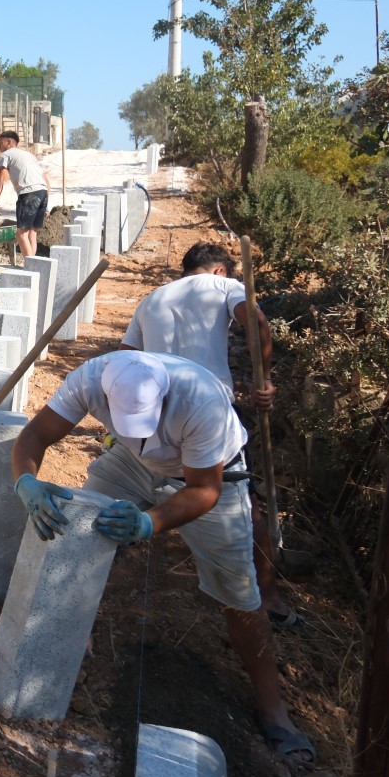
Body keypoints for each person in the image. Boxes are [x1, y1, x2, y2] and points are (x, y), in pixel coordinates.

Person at [11, 350, 314, 763]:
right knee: (79, 523)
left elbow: (204, 490)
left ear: (163, 396)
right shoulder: (92, 378)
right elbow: (34, 437)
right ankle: (56, 643)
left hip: (212, 478)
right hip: (133, 461)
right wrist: (25, 481)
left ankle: (273, 710)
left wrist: (148, 523)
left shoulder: (200, 399)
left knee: (237, 589)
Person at [121, 241, 295, 627]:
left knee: (147, 480)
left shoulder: (151, 299)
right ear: (220, 271)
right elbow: (258, 323)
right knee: (240, 501)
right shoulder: (226, 287)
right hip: (208, 414)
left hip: (153, 417)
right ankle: (269, 600)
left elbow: (124, 355)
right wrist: (263, 381)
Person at [0, 130, 49, 259]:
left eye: (0, 143)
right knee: (32, 233)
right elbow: (45, 179)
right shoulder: (29, 155)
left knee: (21, 234)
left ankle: (30, 269)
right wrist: (46, 204)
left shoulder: (6, 155)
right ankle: (34, 267)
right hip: (43, 193)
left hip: (28, 195)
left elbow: (0, 183)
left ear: (9, 142)